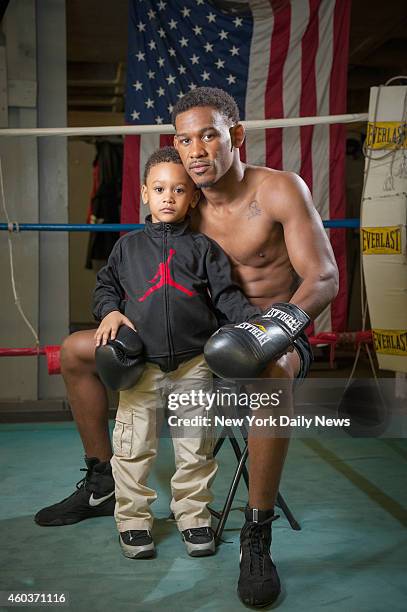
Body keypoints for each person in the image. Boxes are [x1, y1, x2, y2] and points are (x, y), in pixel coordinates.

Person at [35, 88, 338, 607]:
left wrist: (272, 329)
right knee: (78, 349)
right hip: (196, 342)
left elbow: (324, 277)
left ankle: (257, 533)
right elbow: (137, 271)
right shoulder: (182, 204)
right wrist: (116, 313)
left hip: (269, 333)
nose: (196, 149)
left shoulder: (280, 190)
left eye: (209, 135)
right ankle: (102, 479)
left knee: (272, 374)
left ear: (235, 137)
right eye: (184, 138)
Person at [92, 146, 261, 558]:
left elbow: (228, 298)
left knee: (196, 446)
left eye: (179, 189)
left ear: (193, 198)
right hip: (140, 367)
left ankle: (194, 518)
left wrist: (259, 326)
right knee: (133, 446)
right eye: (160, 188)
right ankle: (132, 520)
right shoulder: (127, 248)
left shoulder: (204, 249)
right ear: (145, 194)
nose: (169, 197)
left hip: (194, 365)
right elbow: (105, 288)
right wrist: (110, 310)